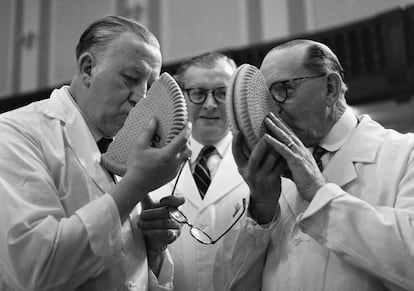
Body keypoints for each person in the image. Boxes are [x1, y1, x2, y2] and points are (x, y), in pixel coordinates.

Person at [0, 15, 192, 291]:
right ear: (88, 68)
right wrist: (134, 187)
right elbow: (36, 271)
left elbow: (128, 274)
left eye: (148, 85)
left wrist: (153, 248)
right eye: (131, 78)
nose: (142, 97)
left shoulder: (127, 151)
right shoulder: (15, 134)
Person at [214, 39, 414, 291]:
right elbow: (228, 285)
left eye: (282, 89)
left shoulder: (405, 154)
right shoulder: (268, 173)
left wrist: (319, 193)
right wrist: (261, 211)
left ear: (330, 88)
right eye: (265, 98)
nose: (272, 110)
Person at [148, 52, 249, 291]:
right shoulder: (152, 163)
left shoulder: (258, 161)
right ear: (182, 96)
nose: (211, 104)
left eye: (222, 93)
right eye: (198, 93)